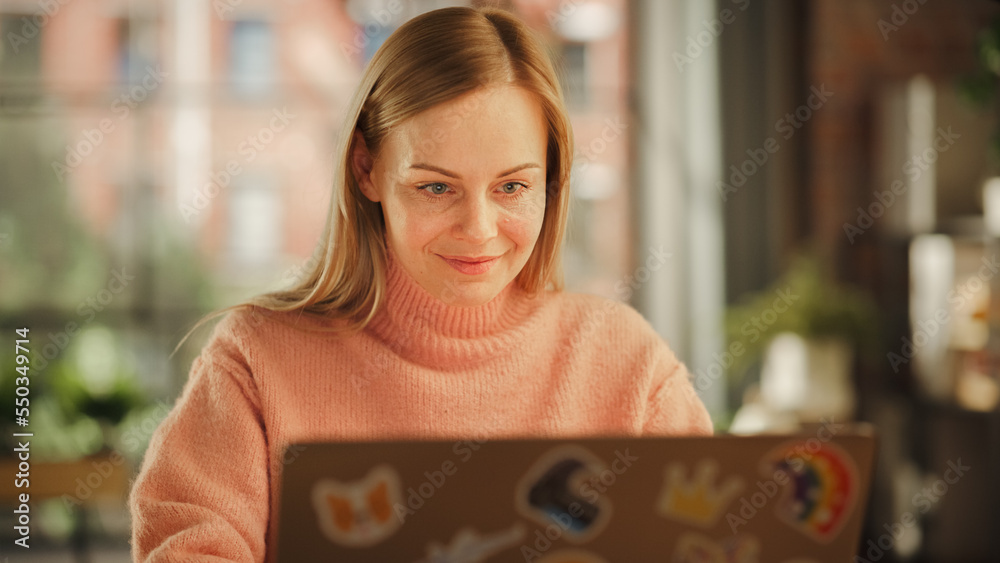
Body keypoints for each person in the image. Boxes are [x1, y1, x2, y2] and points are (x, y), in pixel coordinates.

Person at [128, 6, 712, 562]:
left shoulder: (628, 365)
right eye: (436, 188)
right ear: (366, 170)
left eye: (512, 187)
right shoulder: (256, 360)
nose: (479, 230)